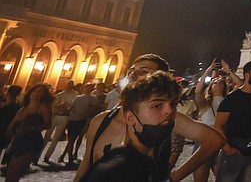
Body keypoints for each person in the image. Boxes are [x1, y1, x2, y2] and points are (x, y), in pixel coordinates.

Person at [75, 53, 224, 182]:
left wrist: (173, 177)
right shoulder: (101, 121)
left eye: (143, 71)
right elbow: (86, 166)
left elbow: (214, 140)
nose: (133, 75)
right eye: (131, 71)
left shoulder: (167, 118)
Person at [79, 71, 180, 182]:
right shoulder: (118, 170)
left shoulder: (146, 161)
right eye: (157, 106)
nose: (169, 111)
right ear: (130, 118)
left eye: (173, 104)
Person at [214, 61, 251, 182]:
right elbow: (218, 126)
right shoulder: (231, 99)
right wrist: (228, 149)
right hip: (234, 149)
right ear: (247, 75)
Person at [5, 84, 53, 182]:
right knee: (9, 174)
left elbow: (48, 124)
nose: (36, 94)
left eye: (40, 92)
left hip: (30, 142)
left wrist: (33, 128)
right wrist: (15, 123)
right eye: (35, 90)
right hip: (17, 141)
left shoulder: (42, 107)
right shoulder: (22, 109)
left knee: (15, 173)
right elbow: (10, 128)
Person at [42, 80, 78, 165]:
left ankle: (47, 156)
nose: (69, 86)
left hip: (65, 116)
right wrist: (60, 105)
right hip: (56, 115)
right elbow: (53, 106)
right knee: (47, 136)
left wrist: (68, 107)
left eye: (71, 85)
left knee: (56, 138)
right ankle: (37, 156)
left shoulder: (75, 95)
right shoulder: (60, 95)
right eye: (68, 84)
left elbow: (74, 106)